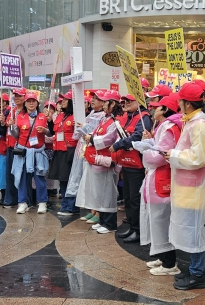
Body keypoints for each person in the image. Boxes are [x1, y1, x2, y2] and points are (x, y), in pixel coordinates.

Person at [164, 81, 205, 290]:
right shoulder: (192, 122)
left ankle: (197, 275)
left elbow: (200, 156)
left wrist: (174, 154)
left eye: (180, 100)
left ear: (187, 104)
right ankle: (194, 271)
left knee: (195, 231)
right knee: (190, 230)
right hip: (188, 188)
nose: (178, 103)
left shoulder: (200, 125)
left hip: (195, 189)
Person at [135, 94, 182, 275]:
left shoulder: (169, 127)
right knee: (158, 221)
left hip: (162, 180)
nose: (153, 109)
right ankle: (162, 256)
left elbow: (159, 156)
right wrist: (150, 141)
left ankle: (169, 264)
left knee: (161, 221)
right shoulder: (165, 126)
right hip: (159, 178)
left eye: (157, 106)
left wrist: (145, 149)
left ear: (165, 110)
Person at [77, 90, 123, 233]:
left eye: (105, 101)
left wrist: (91, 139)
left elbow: (109, 139)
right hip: (97, 161)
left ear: (112, 103)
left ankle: (109, 224)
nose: (102, 105)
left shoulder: (116, 121)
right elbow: (98, 133)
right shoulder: (105, 118)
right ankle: (103, 220)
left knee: (107, 192)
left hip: (105, 160)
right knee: (99, 191)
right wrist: (90, 135)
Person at [111, 94, 153, 243]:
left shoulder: (144, 117)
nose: (126, 103)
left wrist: (117, 145)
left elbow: (137, 137)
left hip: (137, 165)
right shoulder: (129, 116)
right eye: (125, 101)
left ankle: (138, 230)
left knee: (135, 199)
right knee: (128, 198)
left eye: (129, 100)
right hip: (127, 163)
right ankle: (132, 227)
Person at [63, 91, 106, 217]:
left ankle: (97, 212)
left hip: (93, 149)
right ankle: (91, 209)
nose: (93, 100)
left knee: (94, 180)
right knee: (84, 179)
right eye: (92, 98)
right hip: (81, 148)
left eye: (97, 98)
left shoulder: (103, 116)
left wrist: (85, 127)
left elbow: (99, 133)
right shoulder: (91, 113)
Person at [11, 92, 50, 214]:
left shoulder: (43, 116)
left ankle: (42, 202)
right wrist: (11, 127)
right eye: (28, 101)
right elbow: (16, 135)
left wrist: (45, 130)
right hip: (23, 152)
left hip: (38, 152)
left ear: (37, 103)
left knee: (39, 178)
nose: (31, 103)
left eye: (33, 101)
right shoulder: (18, 116)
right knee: (22, 178)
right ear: (25, 103)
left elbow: (50, 133)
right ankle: (22, 202)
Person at [49, 91, 78, 213]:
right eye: (62, 100)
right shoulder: (60, 115)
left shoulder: (76, 116)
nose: (63, 102)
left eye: (66, 99)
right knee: (62, 179)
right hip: (58, 150)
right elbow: (53, 132)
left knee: (69, 179)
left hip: (70, 151)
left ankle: (71, 206)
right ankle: (65, 204)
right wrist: (50, 121)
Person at [0, 88, 27, 208]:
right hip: (10, 146)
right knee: (9, 175)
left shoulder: (27, 113)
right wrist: (1, 123)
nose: (16, 98)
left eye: (19, 96)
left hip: (22, 147)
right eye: (15, 95)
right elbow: (1, 130)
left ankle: (23, 199)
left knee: (21, 175)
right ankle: (10, 199)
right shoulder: (9, 111)